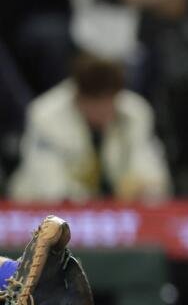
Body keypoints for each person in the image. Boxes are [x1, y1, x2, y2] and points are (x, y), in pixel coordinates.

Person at [8, 54, 171, 202]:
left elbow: (150, 169)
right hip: (44, 213)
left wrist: (144, 188)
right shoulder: (45, 115)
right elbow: (50, 185)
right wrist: (93, 205)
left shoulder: (135, 112)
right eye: (97, 104)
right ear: (79, 97)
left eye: (110, 102)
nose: (106, 111)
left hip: (113, 209)